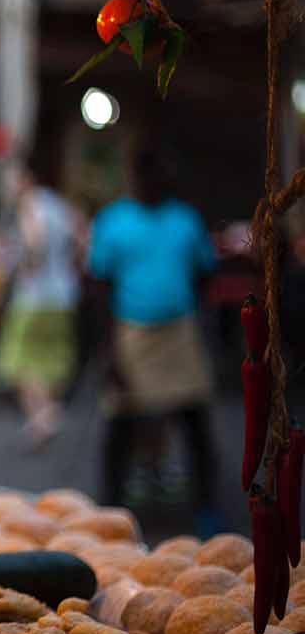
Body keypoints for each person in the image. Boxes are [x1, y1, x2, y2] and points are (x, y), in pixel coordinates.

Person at [87, 145, 219, 528]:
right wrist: (108, 352)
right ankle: (110, 510)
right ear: (135, 178)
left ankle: (207, 508)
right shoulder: (113, 221)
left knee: (195, 422)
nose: (155, 181)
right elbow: (100, 289)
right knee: (120, 427)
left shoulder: (185, 220)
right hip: (132, 334)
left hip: (178, 331)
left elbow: (203, 274)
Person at [0, 157, 80, 447]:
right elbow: (79, 240)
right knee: (53, 358)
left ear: (25, 178)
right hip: (64, 294)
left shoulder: (29, 204)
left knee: (17, 360)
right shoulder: (57, 204)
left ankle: (43, 417)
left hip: (34, 296)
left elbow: (34, 243)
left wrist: (19, 267)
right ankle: (47, 414)